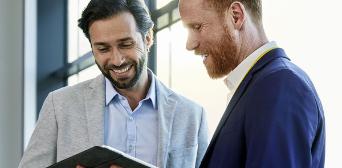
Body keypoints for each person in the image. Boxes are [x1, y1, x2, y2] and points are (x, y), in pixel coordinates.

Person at [18, 0, 209, 167]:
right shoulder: (59, 106)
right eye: (103, 48)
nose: (117, 60)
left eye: (126, 44)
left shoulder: (192, 115)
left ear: (148, 38)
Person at [179, 0, 325, 167]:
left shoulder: (279, 86)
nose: (190, 45)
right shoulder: (262, 86)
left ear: (236, 16)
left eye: (197, 27)